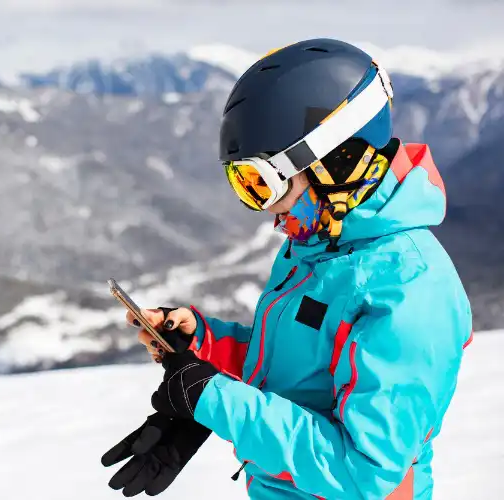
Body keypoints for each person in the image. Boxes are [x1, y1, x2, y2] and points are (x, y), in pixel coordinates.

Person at [101, 38, 473, 499]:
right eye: (246, 185)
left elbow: (365, 477)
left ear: (338, 163)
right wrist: (204, 346)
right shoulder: (319, 245)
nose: (270, 214)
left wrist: (214, 399)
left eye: (267, 184)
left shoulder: (411, 292)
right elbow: (299, 376)